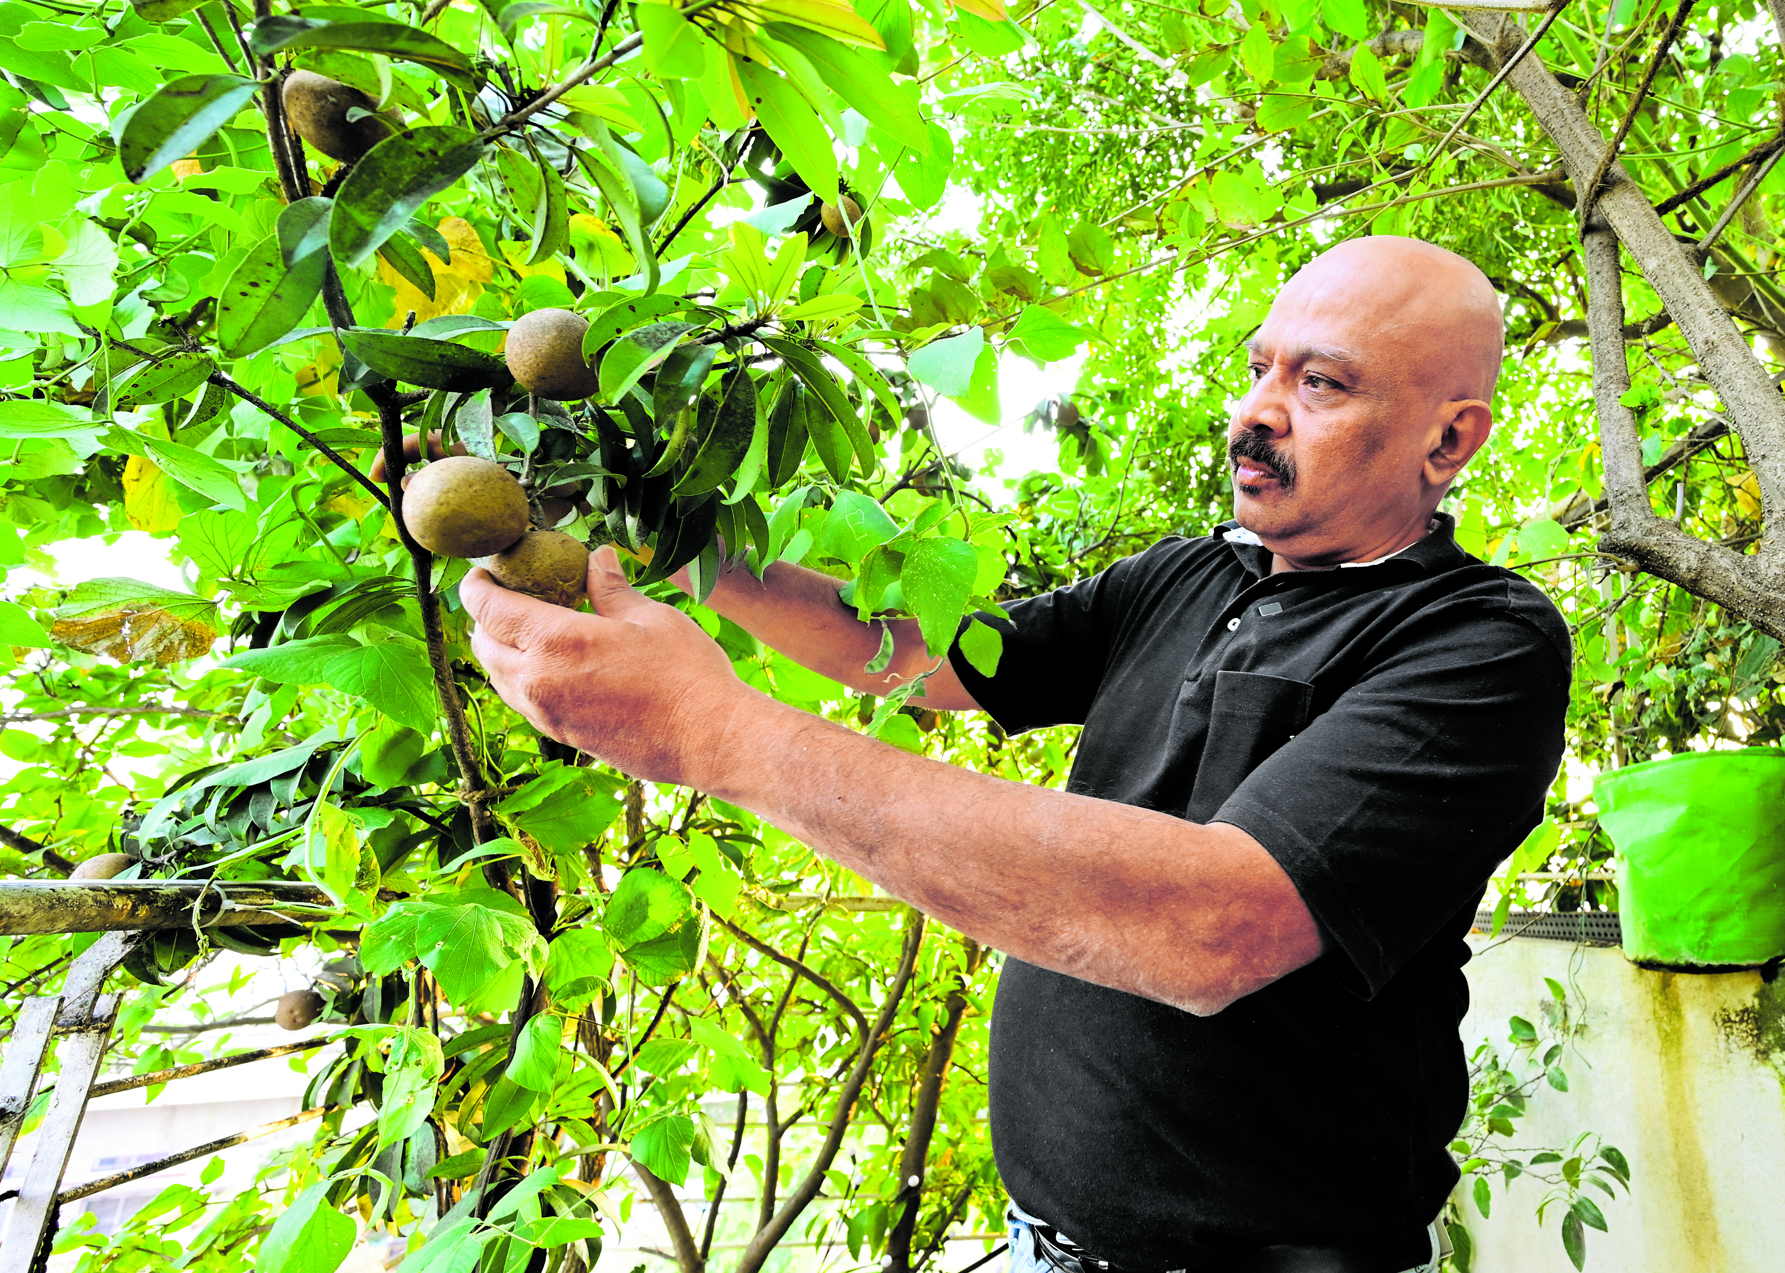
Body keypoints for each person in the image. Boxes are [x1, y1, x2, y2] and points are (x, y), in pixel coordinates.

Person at [461, 235, 1572, 1273]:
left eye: (1318, 385)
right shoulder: (1186, 576)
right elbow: (902, 655)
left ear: (1449, 438)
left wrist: (712, 733)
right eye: (1257, 369)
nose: (1253, 416)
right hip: (1044, 1240)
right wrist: (682, 539)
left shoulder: (1477, 642)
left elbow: (1210, 928)